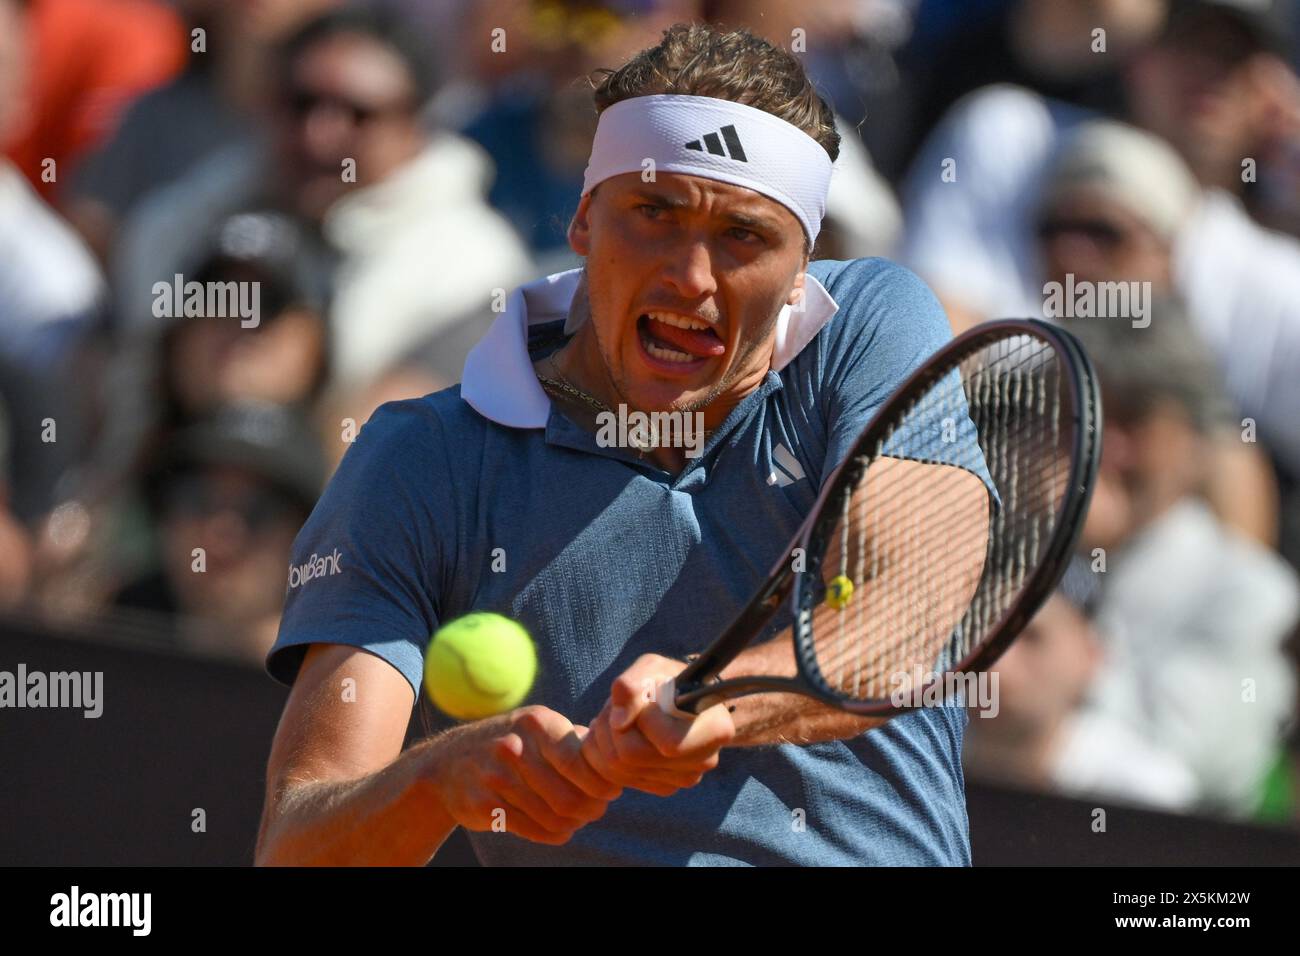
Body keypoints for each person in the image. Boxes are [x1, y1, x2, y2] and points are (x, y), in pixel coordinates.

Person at [256, 22, 989, 866]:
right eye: (654, 213)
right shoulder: (421, 459)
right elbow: (297, 845)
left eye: (744, 236)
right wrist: (437, 783)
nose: (693, 276)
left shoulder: (871, 322)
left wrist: (714, 705)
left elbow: (905, 615)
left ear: (803, 269)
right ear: (583, 219)